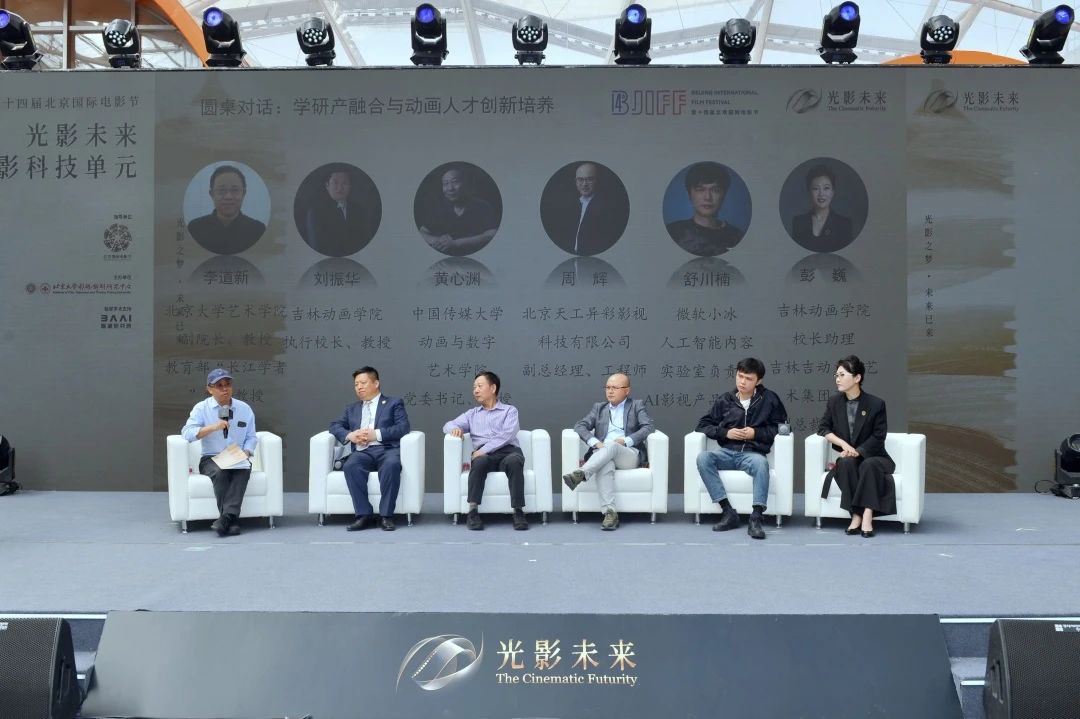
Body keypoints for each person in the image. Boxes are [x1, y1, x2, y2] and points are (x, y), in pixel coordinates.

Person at [694, 357, 788, 540]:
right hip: (727, 452)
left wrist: (756, 433)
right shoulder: (725, 400)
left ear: (758, 381)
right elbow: (702, 425)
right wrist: (726, 433)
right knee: (703, 458)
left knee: (761, 464)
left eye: (748, 378)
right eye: (740, 376)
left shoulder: (769, 399)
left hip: (753, 454)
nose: (742, 382)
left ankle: (756, 518)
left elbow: (783, 428)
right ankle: (728, 512)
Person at [562, 373, 654, 531]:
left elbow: (649, 427)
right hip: (603, 454)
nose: (610, 391)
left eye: (615, 388)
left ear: (627, 390)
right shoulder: (599, 408)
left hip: (628, 454)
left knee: (612, 446)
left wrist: (626, 440)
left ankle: (581, 473)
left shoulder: (636, 405)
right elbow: (580, 426)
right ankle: (610, 514)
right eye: (608, 387)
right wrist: (595, 442)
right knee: (606, 464)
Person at [817, 355, 894, 538]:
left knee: (868, 464)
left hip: (876, 457)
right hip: (848, 456)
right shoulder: (834, 402)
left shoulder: (876, 404)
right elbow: (823, 428)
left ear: (857, 378)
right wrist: (844, 444)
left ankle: (866, 514)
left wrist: (858, 451)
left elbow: (878, 437)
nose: (837, 379)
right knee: (845, 464)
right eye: (836, 375)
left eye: (842, 375)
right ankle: (856, 514)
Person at [443, 371, 528, 531]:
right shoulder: (471, 414)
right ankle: (473, 512)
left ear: (493, 388)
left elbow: (507, 434)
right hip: (484, 456)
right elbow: (447, 425)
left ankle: (518, 511)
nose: (475, 390)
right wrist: (455, 429)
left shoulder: (509, 411)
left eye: (479, 386)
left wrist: (484, 449)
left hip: (508, 451)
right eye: (474, 387)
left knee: (514, 461)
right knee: (479, 462)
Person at [329, 366, 411, 531]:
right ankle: (364, 515)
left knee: (391, 465)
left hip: (387, 449)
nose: (359, 387)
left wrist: (377, 434)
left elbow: (403, 427)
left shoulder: (393, 403)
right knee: (351, 465)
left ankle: (386, 516)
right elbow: (334, 425)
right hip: (363, 452)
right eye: (356, 384)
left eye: (363, 383)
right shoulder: (351, 408)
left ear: (376, 383)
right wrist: (350, 435)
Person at [180, 368, 258, 536]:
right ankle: (232, 520)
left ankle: (226, 519)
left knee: (243, 470)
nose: (225, 389)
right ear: (210, 389)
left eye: (227, 384)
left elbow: (252, 437)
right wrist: (214, 427)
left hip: (237, 456)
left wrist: (247, 451)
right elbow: (187, 433)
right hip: (211, 458)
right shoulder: (201, 408)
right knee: (221, 471)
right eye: (219, 385)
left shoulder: (244, 408)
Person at [543, 162, 629, 256]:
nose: (584, 184)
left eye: (589, 179)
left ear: (597, 180)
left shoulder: (607, 207)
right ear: (576, 182)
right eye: (580, 179)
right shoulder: (571, 206)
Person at [666, 162, 743, 256]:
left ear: (724, 195)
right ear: (689, 195)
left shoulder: (736, 237)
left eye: (716, 190)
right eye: (700, 189)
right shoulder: (674, 232)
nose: (707, 197)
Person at [418, 166, 499, 256]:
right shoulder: (439, 208)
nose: (450, 188)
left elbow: (491, 235)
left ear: (466, 184)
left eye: (455, 182)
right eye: (446, 183)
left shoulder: (482, 207)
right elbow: (422, 232)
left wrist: (456, 243)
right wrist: (438, 241)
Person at [187, 165, 266, 254]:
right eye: (221, 190)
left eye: (235, 190)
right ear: (212, 194)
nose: (228, 197)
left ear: (243, 193)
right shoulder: (195, 228)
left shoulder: (258, 230)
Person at [304, 168, 378, 257]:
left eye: (345, 183)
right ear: (327, 185)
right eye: (335, 183)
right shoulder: (316, 212)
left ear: (350, 186)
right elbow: (317, 247)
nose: (340, 188)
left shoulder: (360, 211)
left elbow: (366, 242)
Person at [790, 164, 853, 253]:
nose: (821, 194)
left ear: (832, 192)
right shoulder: (798, 223)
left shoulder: (844, 224)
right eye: (816, 188)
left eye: (826, 188)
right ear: (809, 192)